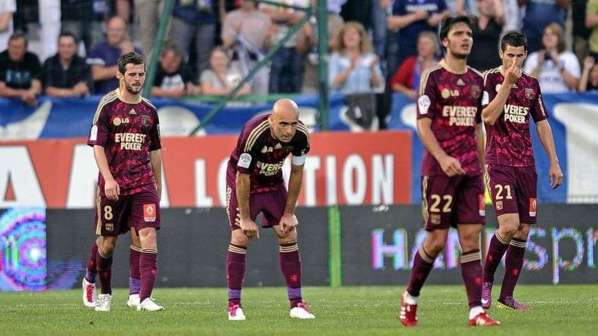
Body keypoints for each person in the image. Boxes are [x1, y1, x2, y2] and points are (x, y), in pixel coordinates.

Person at [399, 16, 500, 327]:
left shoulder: (477, 80)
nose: (465, 38)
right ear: (445, 41)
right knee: (437, 241)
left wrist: (484, 166)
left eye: (468, 33)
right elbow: (423, 125)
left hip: (470, 170)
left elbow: (479, 127)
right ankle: (410, 297)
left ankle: (476, 311)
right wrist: (442, 158)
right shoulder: (432, 78)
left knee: (471, 238)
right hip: (439, 171)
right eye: (458, 34)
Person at [481, 31, 564, 310]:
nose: (515, 60)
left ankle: (507, 296)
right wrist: (507, 84)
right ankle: (485, 280)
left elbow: (541, 124)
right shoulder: (491, 79)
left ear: (525, 54)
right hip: (499, 162)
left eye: (519, 55)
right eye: (510, 55)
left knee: (523, 230)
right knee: (509, 225)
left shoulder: (532, 85)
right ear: (501, 54)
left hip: (526, 165)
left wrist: (553, 160)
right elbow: (489, 117)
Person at [82, 51, 163, 312]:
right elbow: (97, 146)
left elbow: (155, 150)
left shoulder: (150, 110)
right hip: (114, 185)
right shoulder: (107, 106)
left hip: (143, 184)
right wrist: (107, 179)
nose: (138, 79)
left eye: (141, 74)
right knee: (107, 243)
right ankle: (95, 284)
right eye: (133, 74)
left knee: (147, 235)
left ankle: (141, 296)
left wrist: (158, 184)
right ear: (120, 75)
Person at [225, 98, 314, 321]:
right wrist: (245, 218)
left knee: (288, 232)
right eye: (283, 124)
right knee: (239, 236)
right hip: (245, 182)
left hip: (273, 183)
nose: (289, 130)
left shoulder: (302, 136)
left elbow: (296, 172)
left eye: (293, 124)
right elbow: (242, 175)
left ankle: (297, 304)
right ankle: (234, 305)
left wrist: (288, 213)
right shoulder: (253, 132)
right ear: (272, 120)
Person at [87, 16, 140, 94]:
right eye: (111, 30)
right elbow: (96, 74)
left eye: (118, 30)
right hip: (104, 97)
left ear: (125, 32)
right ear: (107, 31)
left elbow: (141, 76)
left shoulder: (136, 50)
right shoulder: (98, 50)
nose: (114, 33)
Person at [523, 23, 581, 93]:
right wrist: (539, 66)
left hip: (562, 101)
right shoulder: (533, 57)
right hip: (539, 101)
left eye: (553, 34)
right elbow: (526, 86)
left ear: (559, 38)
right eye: (546, 34)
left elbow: (575, 85)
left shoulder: (570, 57)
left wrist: (559, 64)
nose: (548, 37)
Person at [329, 21, 384, 94]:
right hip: (343, 101)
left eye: (353, 34)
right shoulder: (336, 57)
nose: (350, 37)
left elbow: (379, 86)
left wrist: (372, 69)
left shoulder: (370, 57)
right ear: (342, 39)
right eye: (347, 34)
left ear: (360, 37)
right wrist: (349, 69)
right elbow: (332, 84)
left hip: (365, 100)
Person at [390, 31, 439, 100]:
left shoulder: (440, 66)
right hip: (410, 102)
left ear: (434, 46)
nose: (422, 46)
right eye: (420, 43)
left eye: (426, 43)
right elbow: (394, 84)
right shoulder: (410, 62)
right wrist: (407, 92)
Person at [42, 32, 92, 97]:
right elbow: (47, 89)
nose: (66, 49)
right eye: (62, 46)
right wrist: (72, 92)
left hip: (76, 104)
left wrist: (59, 92)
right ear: (58, 47)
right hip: (53, 104)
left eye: (70, 46)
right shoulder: (49, 62)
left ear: (75, 47)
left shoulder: (83, 63)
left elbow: (85, 87)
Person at [0, 32, 42, 106]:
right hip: (5, 106)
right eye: (12, 46)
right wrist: (23, 93)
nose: (15, 50)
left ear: (25, 48)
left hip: (29, 101)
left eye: (18, 47)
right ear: (8, 46)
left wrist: (31, 93)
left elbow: (37, 86)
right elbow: (1, 90)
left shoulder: (33, 59)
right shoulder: (1, 59)